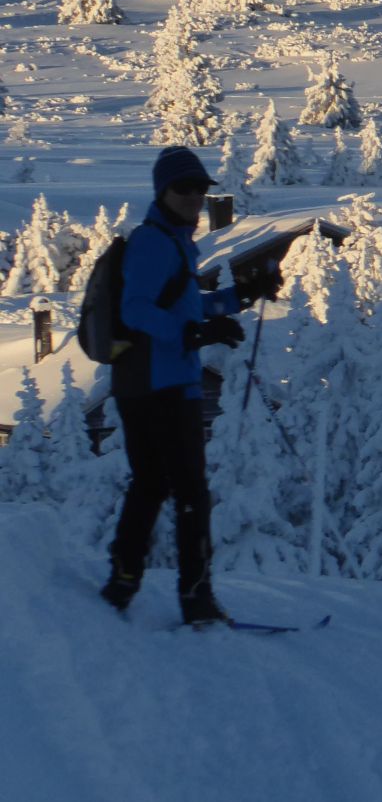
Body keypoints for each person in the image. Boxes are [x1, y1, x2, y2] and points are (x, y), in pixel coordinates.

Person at [100, 146, 281, 625]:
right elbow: (135, 310)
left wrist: (241, 296)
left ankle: (123, 582)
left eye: (201, 188)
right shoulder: (153, 242)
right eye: (184, 188)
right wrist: (193, 335)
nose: (195, 197)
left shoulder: (173, 242)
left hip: (151, 384)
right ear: (162, 191)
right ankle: (195, 598)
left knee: (153, 486)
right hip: (160, 386)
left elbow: (186, 304)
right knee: (189, 493)